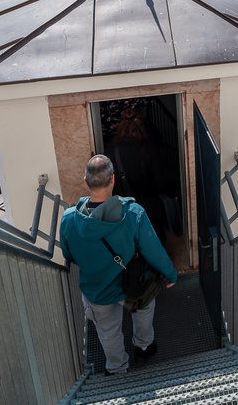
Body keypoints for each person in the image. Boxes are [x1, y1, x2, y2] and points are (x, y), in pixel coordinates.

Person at [60, 154, 177, 375]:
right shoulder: (133, 213)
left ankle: (117, 368)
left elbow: (69, 254)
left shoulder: (68, 219)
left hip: (96, 289)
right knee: (143, 307)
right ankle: (143, 347)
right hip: (133, 283)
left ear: (86, 182)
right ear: (113, 179)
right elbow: (153, 251)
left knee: (107, 331)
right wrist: (170, 273)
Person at [107, 107, 181, 245]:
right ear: (142, 127)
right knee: (155, 244)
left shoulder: (111, 152)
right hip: (150, 209)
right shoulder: (149, 150)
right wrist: (174, 194)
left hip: (122, 211)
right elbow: (164, 181)